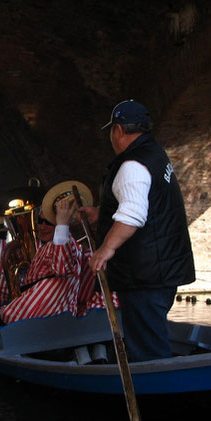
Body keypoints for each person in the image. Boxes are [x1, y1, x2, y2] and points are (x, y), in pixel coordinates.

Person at [81, 99, 195, 362]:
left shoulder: (132, 166)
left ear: (119, 130)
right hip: (161, 269)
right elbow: (149, 203)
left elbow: (132, 214)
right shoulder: (154, 155)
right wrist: (102, 214)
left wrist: (105, 249)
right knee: (147, 335)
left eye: (111, 130)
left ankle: (158, 394)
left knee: (148, 351)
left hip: (144, 274)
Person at [0, 181, 92, 345]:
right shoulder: (53, 245)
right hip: (42, 309)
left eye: (49, 222)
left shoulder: (65, 243)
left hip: (40, 314)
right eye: (40, 221)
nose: (42, 226)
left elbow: (61, 268)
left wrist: (62, 224)